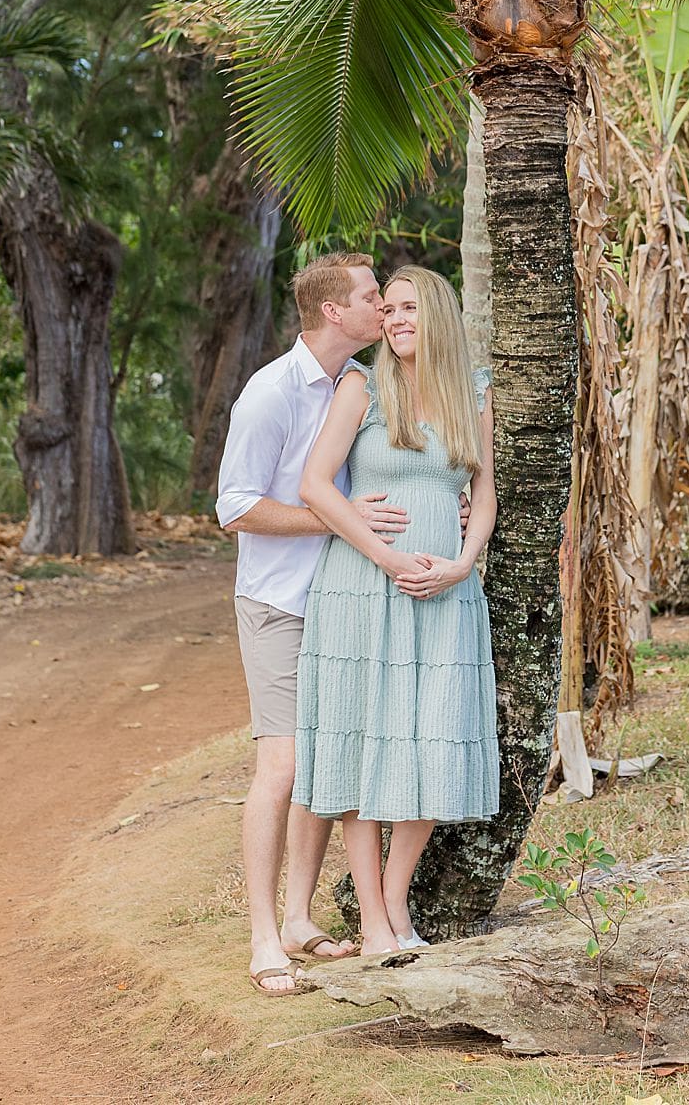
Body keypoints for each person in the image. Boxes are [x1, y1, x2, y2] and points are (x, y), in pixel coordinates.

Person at [216, 251, 411, 996]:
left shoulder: (359, 384)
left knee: (326, 767)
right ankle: (264, 936)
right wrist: (330, 522)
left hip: (345, 604)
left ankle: (299, 918)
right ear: (336, 312)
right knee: (284, 767)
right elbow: (233, 508)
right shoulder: (270, 394)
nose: (383, 310)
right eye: (372, 298)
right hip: (277, 604)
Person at [294, 266, 500, 953]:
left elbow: (485, 493)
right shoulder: (361, 388)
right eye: (389, 309)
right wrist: (385, 558)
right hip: (362, 588)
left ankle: (391, 900)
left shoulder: (472, 396)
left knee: (431, 740)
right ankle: (380, 928)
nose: (396, 318)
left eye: (410, 307)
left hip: (445, 594)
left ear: (438, 314)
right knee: (363, 745)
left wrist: (463, 563)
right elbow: (316, 486)